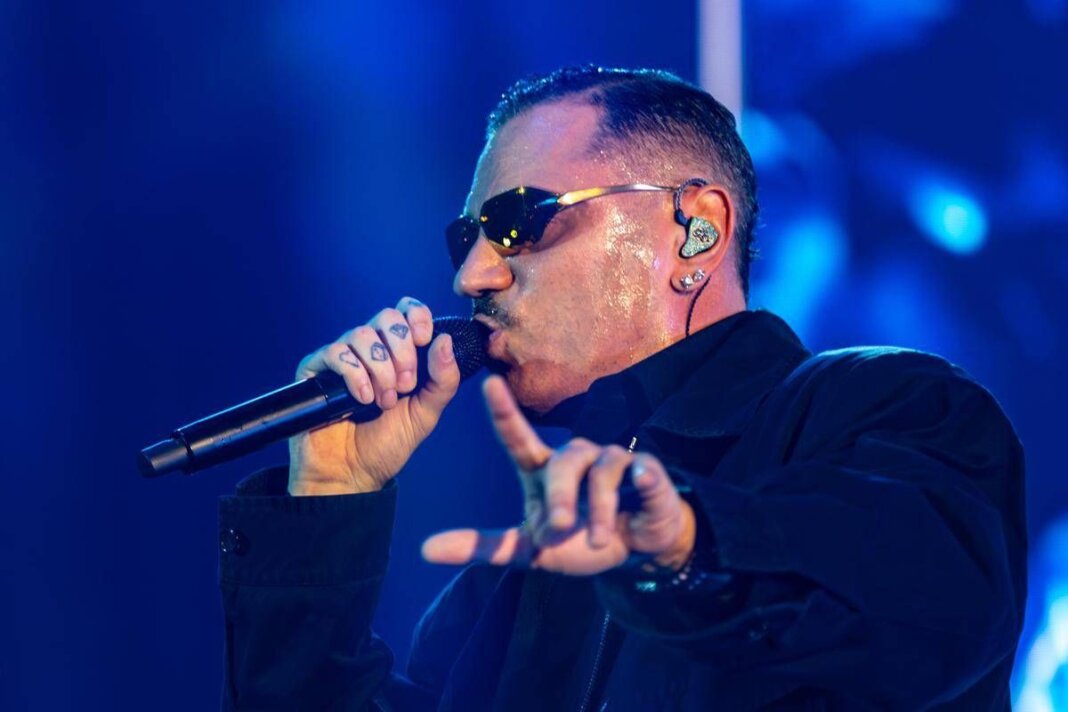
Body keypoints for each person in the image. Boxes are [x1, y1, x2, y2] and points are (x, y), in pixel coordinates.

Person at [217, 66, 1026, 710]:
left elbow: (930, 609)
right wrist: (328, 498)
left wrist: (687, 548)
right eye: (467, 238)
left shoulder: (889, 407)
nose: (473, 275)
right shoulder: (508, 583)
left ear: (696, 231)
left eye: (518, 223)